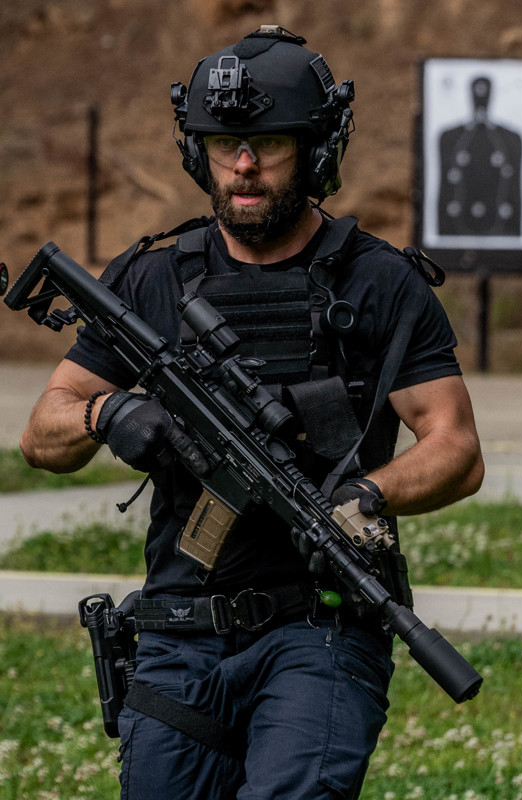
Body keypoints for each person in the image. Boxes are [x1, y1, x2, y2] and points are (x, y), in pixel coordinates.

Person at [19, 25, 484, 800]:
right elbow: (43, 431)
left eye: (267, 143)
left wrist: (367, 496)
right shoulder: (151, 279)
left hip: (322, 627)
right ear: (194, 150)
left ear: (314, 151)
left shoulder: (376, 283)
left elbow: (457, 447)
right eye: (221, 143)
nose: (242, 165)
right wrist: (108, 415)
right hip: (179, 633)